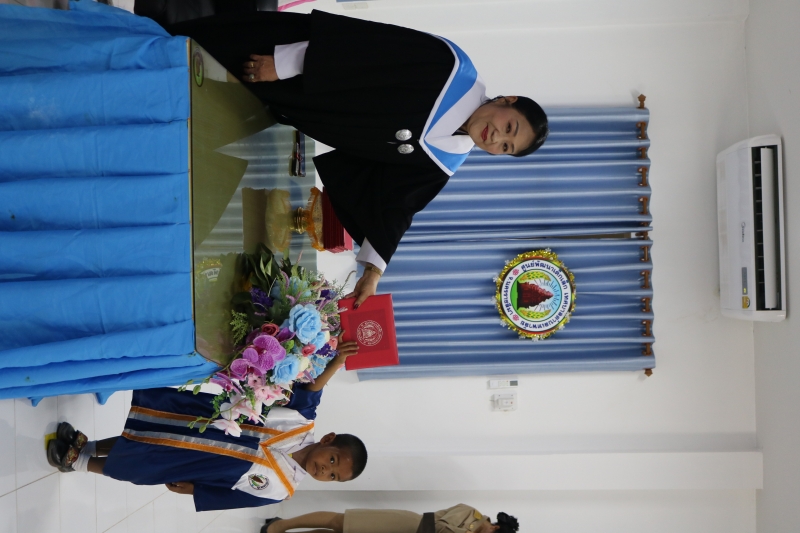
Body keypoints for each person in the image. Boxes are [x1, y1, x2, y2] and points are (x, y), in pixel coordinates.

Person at [163, 10, 549, 307]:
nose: (497, 138)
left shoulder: (447, 156)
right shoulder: (448, 67)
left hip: (283, 108)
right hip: (275, 59)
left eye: (505, 147)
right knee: (178, 53)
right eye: (509, 127)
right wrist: (280, 65)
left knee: (184, 105)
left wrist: (373, 271)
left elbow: (397, 205)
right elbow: (363, 48)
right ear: (507, 100)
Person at [46, 340, 367, 512]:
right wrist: (337, 362)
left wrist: (197, 490)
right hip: (199, 422)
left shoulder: (281, 490)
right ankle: (88, 446)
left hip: (196, 462)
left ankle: (79, 462)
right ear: (328, 439)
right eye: (333, 460)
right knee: (144, 433)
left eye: (333, 476)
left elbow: (237, 498)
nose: (325, 470)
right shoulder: (301, 422)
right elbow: (312, 391)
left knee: (141, 465)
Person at [259, 504, 520, 533]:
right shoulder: (471, 514)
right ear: (495, 526)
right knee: (341, 523)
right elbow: (439, 526)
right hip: (410, 524)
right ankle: (280, 525)